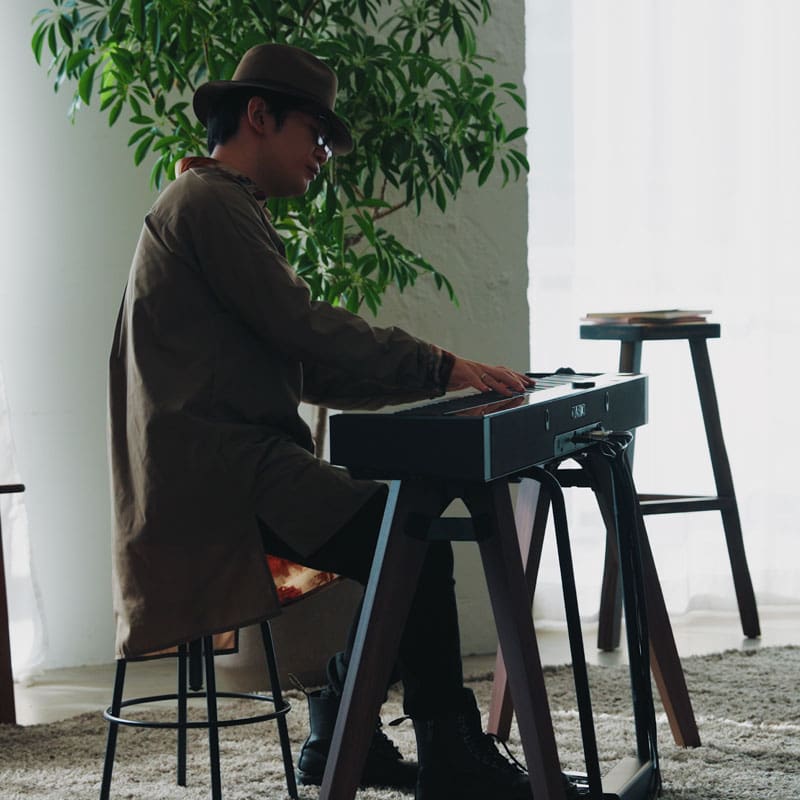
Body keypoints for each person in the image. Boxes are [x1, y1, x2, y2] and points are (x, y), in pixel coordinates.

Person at [108, 43, 539, 800]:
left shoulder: (217, 204)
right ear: (259, 115)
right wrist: (438, 364)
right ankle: (444, 753)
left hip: (228, 470)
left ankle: (342, 732)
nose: (322, 155)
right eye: (315, 133)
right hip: (222, 482)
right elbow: (303, 326)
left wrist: (440, 379)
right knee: (411, 539)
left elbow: (303, 365)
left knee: (405, 536)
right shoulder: (208, 203)